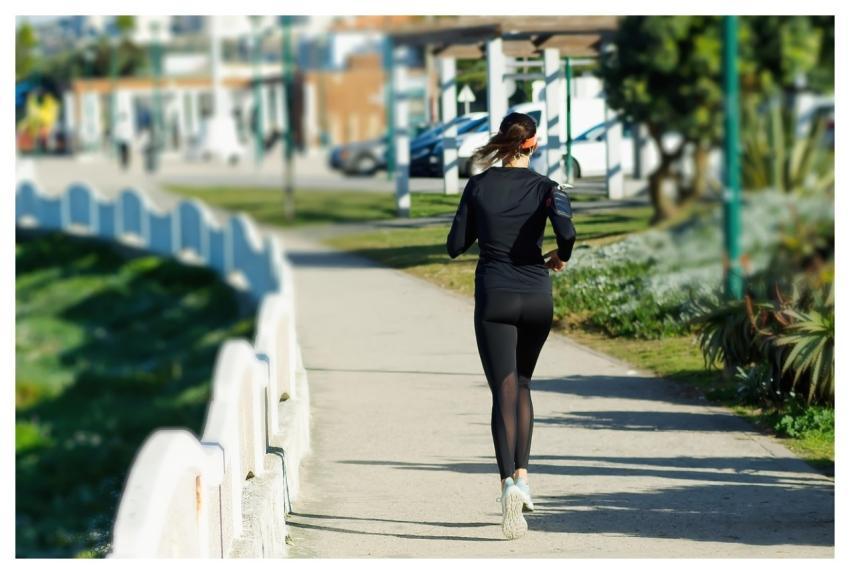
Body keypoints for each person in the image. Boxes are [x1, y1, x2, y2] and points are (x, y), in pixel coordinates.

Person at [446, 112, 576, 540]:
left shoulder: (480, 185)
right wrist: (559, 256)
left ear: (505, 142)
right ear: (532, 144)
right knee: (522, 384)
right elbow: (568, 233)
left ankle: (507, 485)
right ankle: (524, 475)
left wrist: (480, 224)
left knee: (502, 388)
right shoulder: (547, 188)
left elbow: (454, 246)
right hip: (537, 296)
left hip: (495, 296)